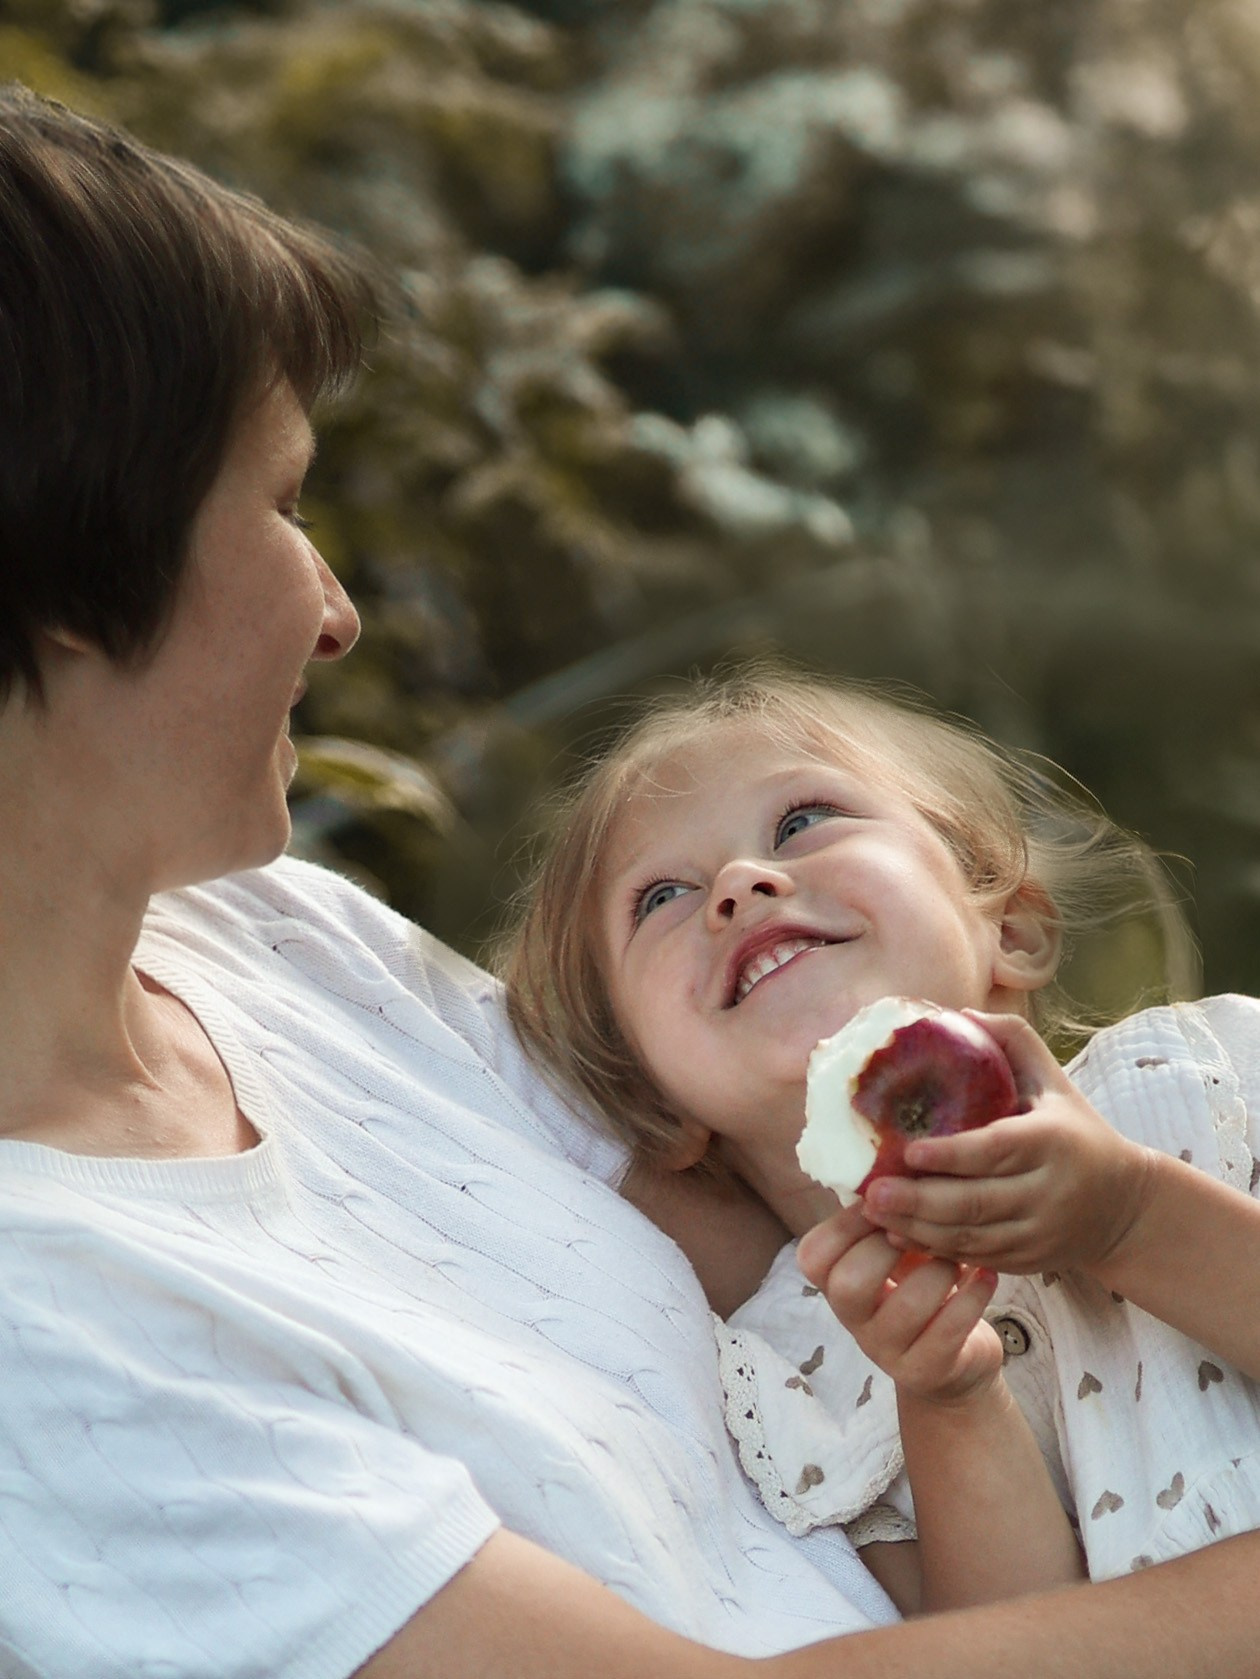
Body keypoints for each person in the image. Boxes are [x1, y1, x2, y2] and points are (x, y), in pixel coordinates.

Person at [5, 79, 1260, 1679]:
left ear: (1009, 910)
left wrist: (1123, 1210)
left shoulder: (271, 933)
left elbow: (766, 1163)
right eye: (279, 503)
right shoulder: (50, 1346)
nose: (337, 613)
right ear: (58, 567)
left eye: (807, 823)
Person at [500, 668, 1260, 1614]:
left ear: (1011, 930)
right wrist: (951, 1400)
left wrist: (1129, 1216)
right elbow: (1010, 1649)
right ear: (661, 1103)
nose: (738, 884)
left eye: (800, 821)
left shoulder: (1201, 1077)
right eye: (660, 897)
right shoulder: (795, 1370)